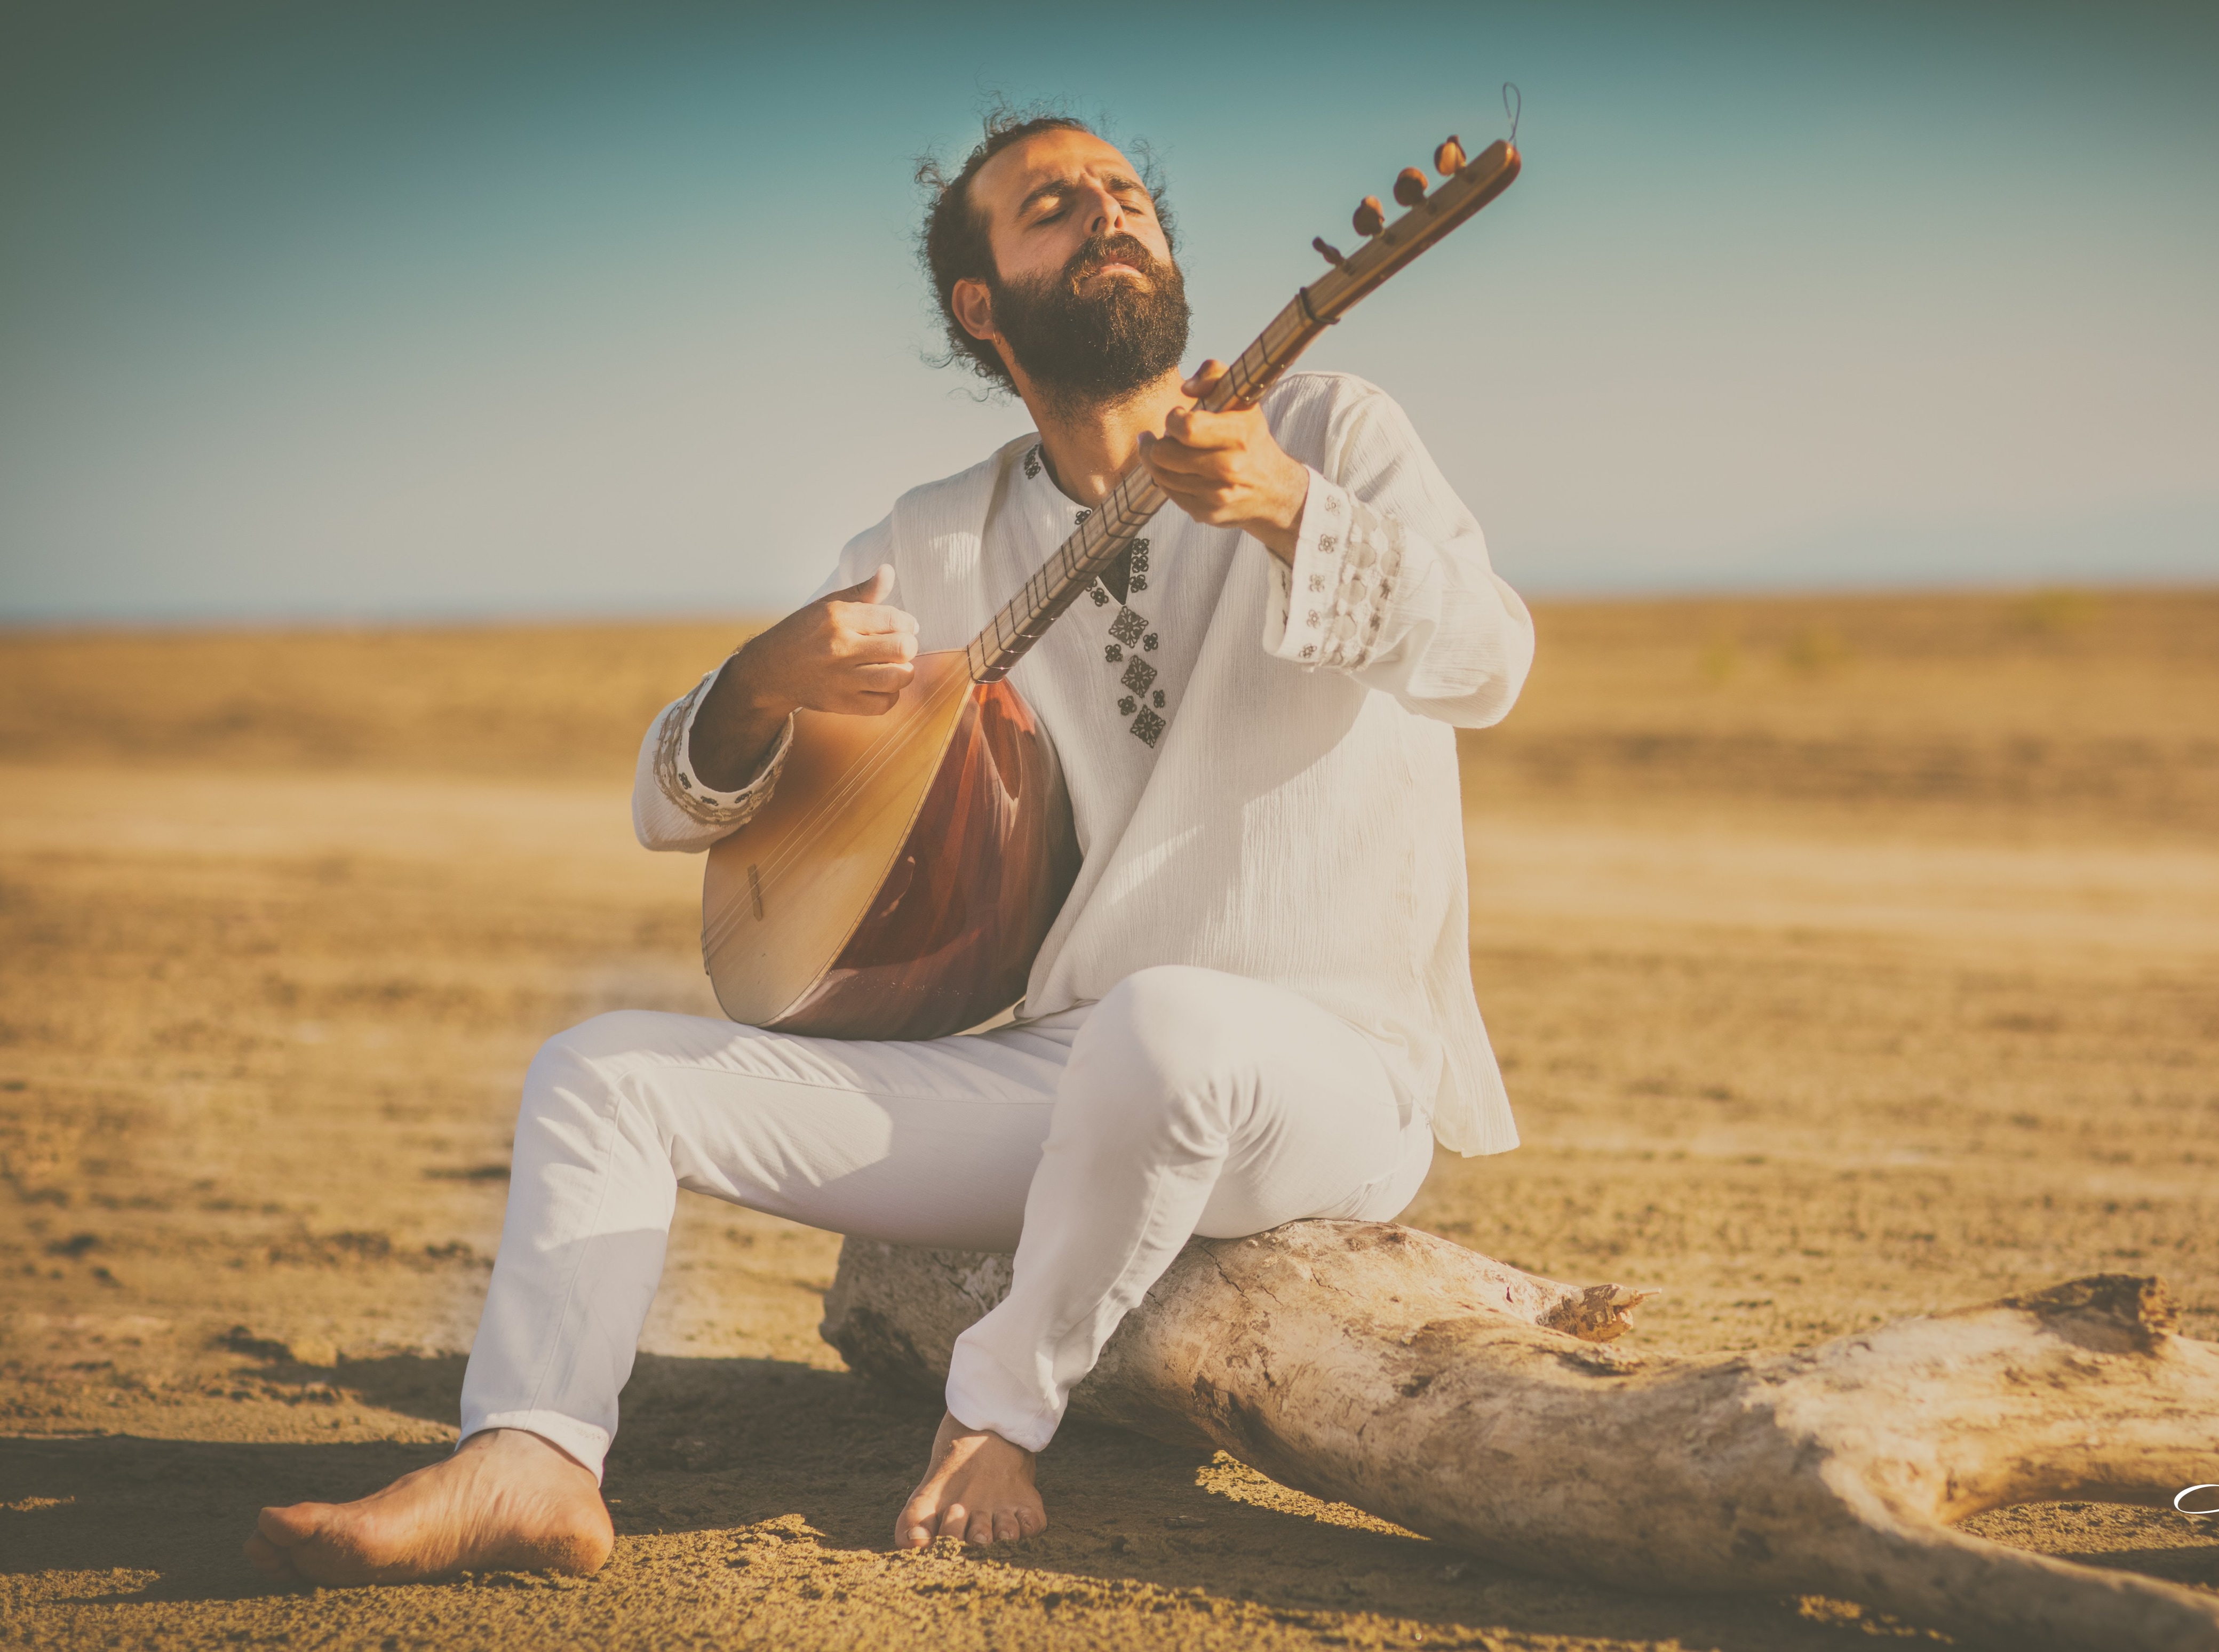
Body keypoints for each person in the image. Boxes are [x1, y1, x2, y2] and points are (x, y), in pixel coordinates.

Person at [245, 109, 1531, 1585]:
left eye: (1127, 193)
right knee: (599, 1072)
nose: (1109, 213)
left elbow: (1490, 660)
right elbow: (679, 806)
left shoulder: (1328, 429)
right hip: (1069, 1063)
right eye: (1055, 205)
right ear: (981, 305)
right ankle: (531, 1454)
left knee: (1169, 1030)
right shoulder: (941, 538)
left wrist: (1289, 512)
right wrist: (761, 686)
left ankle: (997, 1410)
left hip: (1331, 1072)